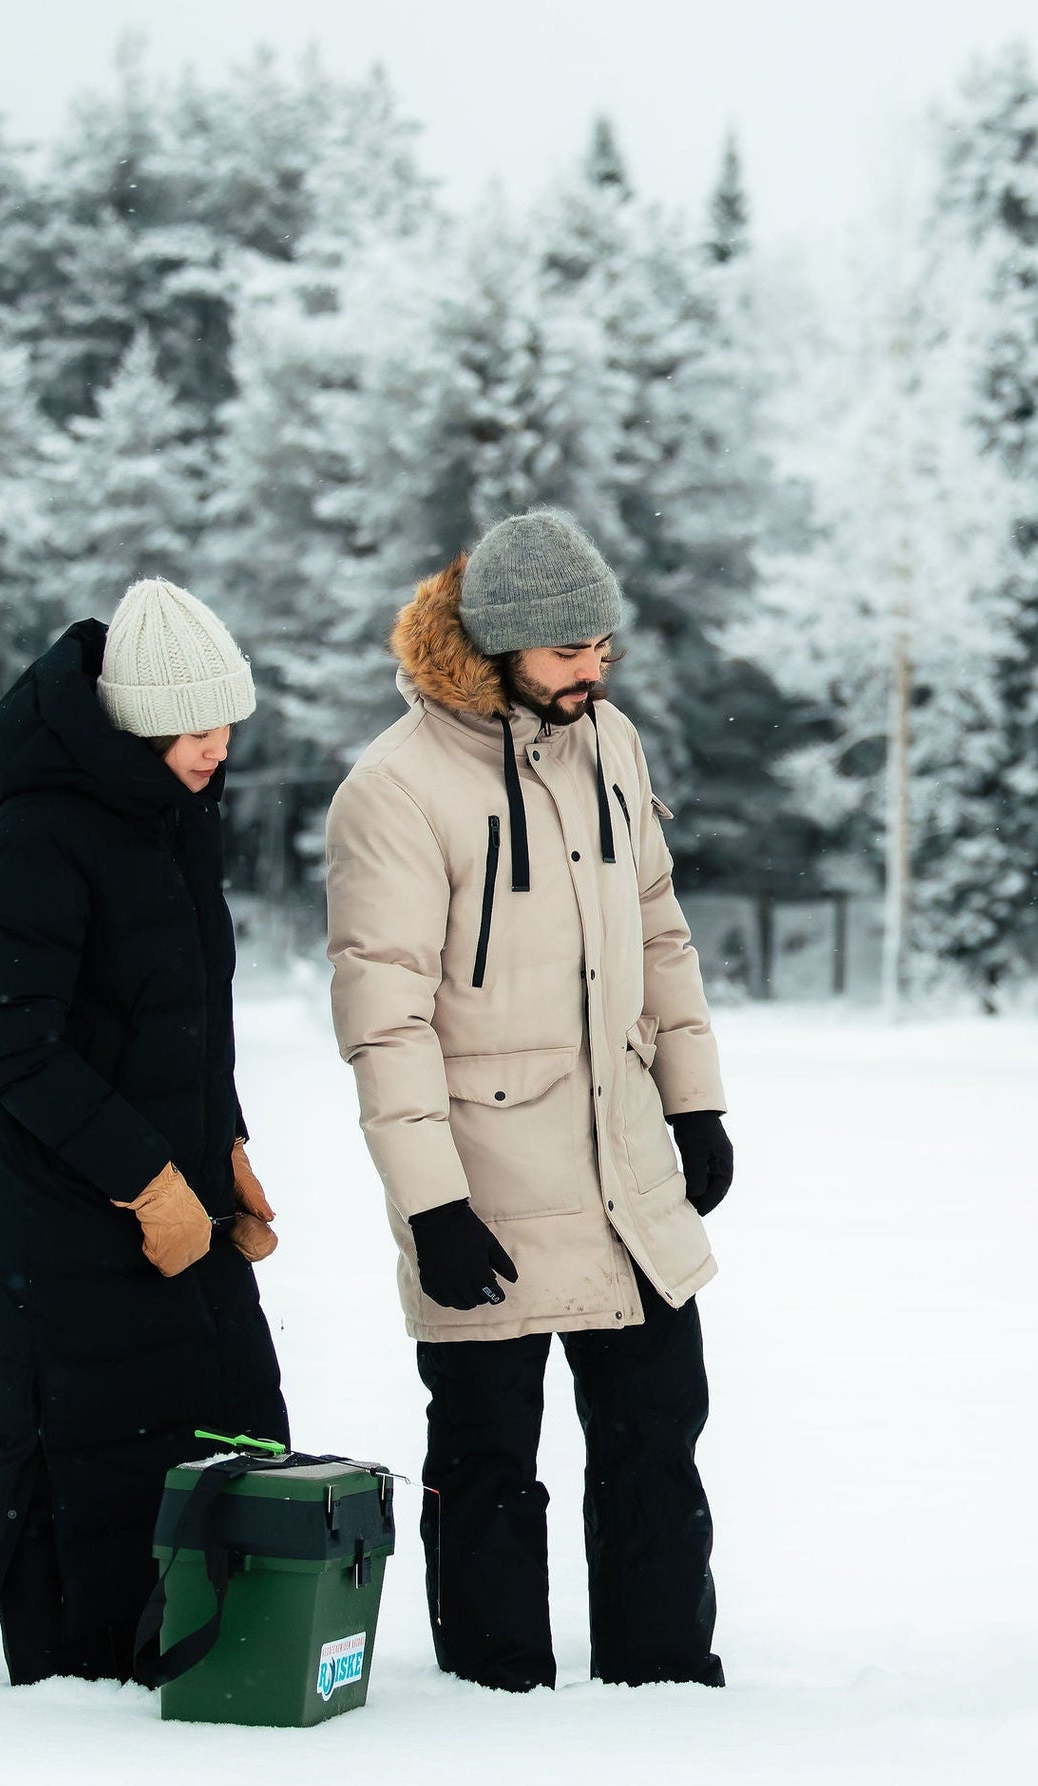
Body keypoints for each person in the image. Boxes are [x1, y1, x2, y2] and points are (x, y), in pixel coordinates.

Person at [326, 510, 732, 1692]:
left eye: (602, 646)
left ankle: (663, 1687)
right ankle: (495, 1699)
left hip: (624, 1166)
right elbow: (381, 1021)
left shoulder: (612, 745)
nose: (592, 671)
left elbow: (659, 931)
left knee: (658, 1443)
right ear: (498, 647)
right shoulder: (394, 792)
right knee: (489, 1459)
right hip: (485, 1184)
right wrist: (431, 1207)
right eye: (567, 653)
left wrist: (695, 1101)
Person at [0, 579, 289, 1685]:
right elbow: (11, 1047)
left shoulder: (171, 825)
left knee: (223, 1427)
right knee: (90, 1445)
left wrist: (222, 1148)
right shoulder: (38, 839)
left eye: (226, 722)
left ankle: (203, 1650)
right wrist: (144, 1178)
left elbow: (174, 1020)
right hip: (62, 1215)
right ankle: (83, 1683)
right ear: (132, 724)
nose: (215, 748)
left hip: (172, 1199)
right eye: (192, 728)